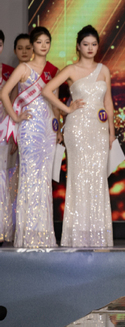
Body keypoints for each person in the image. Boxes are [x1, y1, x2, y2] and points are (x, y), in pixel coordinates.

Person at [42, 25, 115, 247]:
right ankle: (78, 235)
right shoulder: (71, 70)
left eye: (94, 44)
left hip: (99, 130)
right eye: (86, 44)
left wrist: (111, 132)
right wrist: (67, 109)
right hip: (78, 129)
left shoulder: (104, 70)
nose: (90, 48)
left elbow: (108, 102)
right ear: (78, 46)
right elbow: (46, 90)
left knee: (98, 179)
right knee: (79, 179)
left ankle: (97, 234)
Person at [0, 27, 59, 248]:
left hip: (47, 130)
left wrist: (58, 127)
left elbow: (55, 102)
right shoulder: (24, 68)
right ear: (33, 45)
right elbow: (4, 93)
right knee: (30, 178)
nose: (43, 46)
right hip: (29, 129)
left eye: (47, 42)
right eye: (39, 42)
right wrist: (16, 117)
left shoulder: (52, 71)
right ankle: (28, 234)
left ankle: (43, 234)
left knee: (44, 181)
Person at [0, 31, 16, 244]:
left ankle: (2, 229)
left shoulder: (9, 73)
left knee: (2, 178)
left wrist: (13, 132)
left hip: (3, 131)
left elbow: (14, 103)